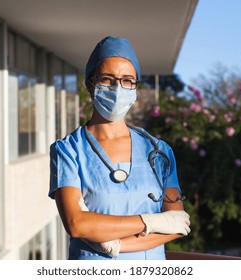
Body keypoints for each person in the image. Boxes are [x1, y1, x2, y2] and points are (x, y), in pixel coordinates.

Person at [49, 36, 191, 260]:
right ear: (90, 84)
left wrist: (115, 244)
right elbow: (76, 224)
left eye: (127, 80)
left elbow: (178, 224)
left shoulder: (159, 151)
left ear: (135, 88)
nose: (118, 88)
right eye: (107, 79)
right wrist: (153, 221)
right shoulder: (68, 150)